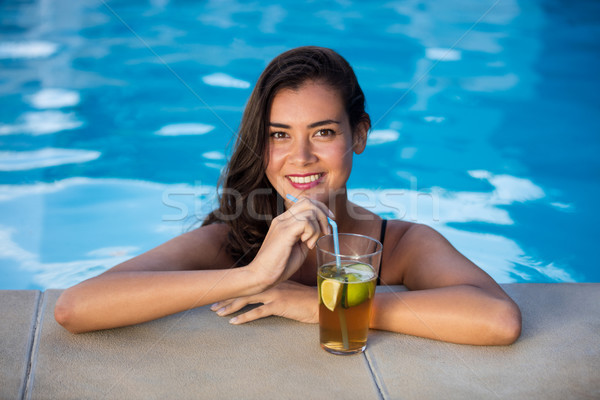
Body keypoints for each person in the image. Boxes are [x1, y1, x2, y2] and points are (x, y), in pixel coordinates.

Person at [54, 46, 521, 345]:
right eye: (279, 135)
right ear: (261, 144)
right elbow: (76, 307)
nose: (300, 156)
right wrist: (253, 275)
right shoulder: (230, 241)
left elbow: (498, 319)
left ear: (359, 135)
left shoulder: (400, 245)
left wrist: (325, 306)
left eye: (322, 132)